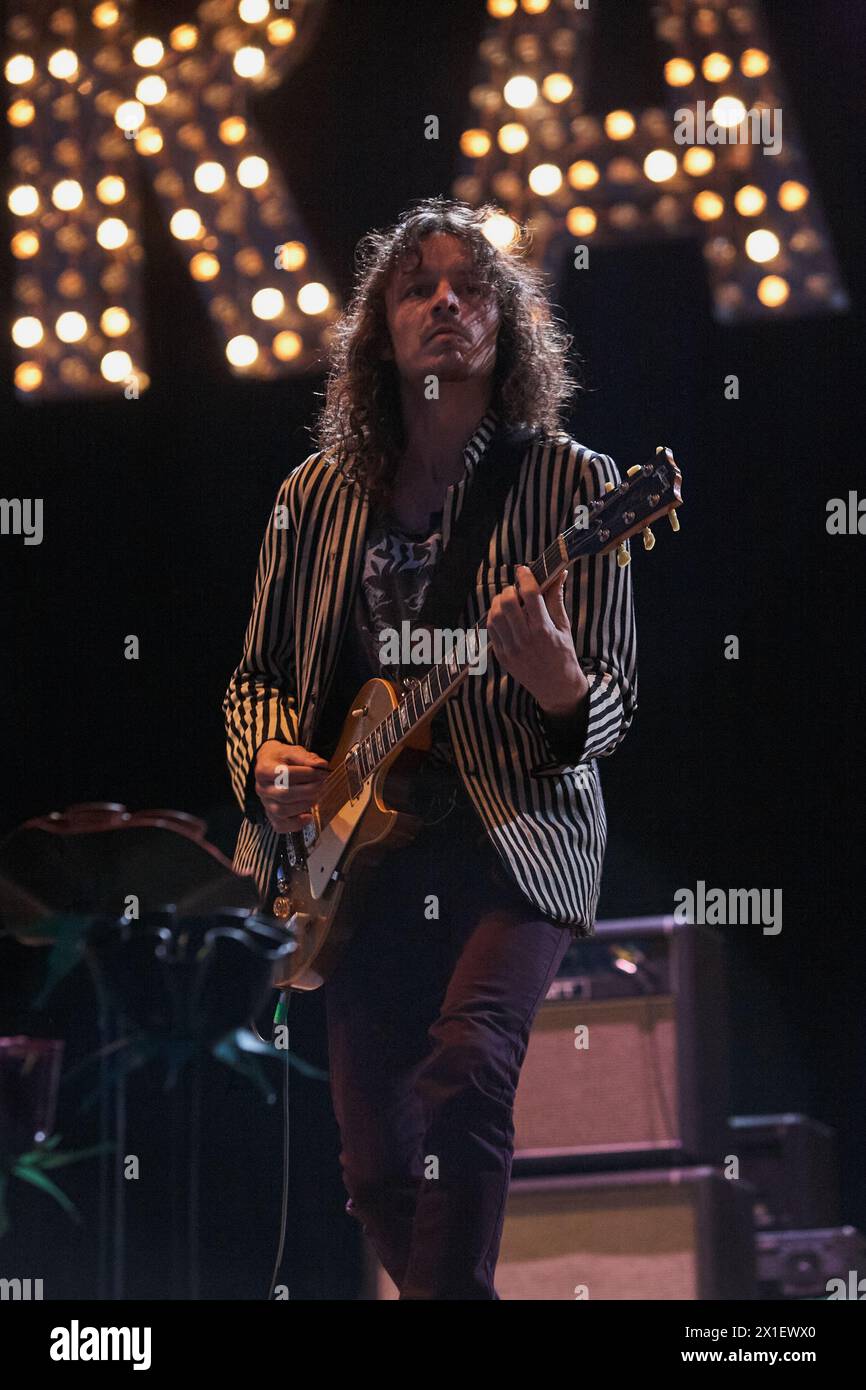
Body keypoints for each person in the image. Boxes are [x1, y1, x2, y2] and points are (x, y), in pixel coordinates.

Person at [223, 197, 637, 1299]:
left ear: (505, 326)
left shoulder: (576, 489)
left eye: (470, 286)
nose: (445, 302)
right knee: (372, 1168)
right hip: (360, 858)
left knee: (464, 1074)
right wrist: (266, 764)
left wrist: (556, 686)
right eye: (418, 286)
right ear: (380, 334)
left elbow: (611, 703)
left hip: (514, 833)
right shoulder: (311, 500)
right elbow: (256, 678)